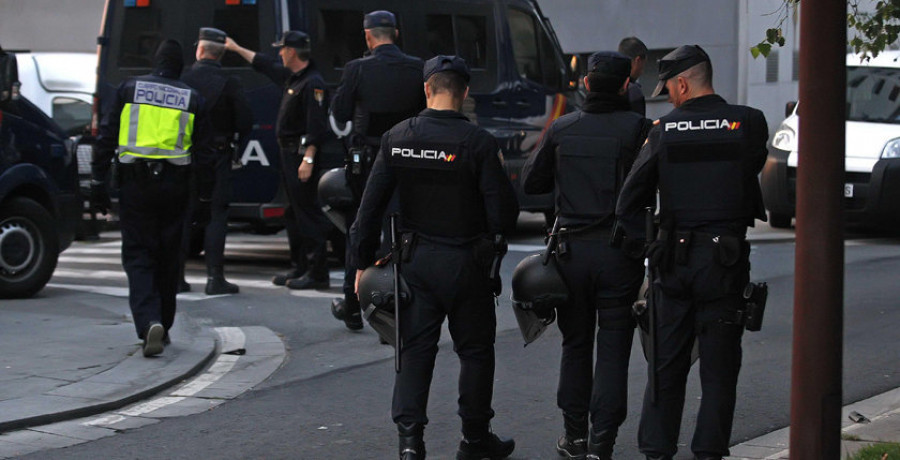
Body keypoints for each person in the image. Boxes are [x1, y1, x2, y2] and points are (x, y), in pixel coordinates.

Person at [349, 56, 518, 460]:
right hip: (467, 264)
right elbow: (504, 214)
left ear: (427, 89)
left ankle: (410, 444)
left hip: (416, 263)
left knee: (413, 351)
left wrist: (360, 264)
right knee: (475, 352)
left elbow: (368, 210)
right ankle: (475, 439)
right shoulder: (478, 143)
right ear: (464, 93)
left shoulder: (397, 137)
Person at [615, 45, 769, 460]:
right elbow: (748, 167)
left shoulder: (663, 131)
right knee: (720, 370)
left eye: (668, 88)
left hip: (675, 263)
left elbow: (629, 201)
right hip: (726, 263)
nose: (667, 97)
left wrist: (647, 246)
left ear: (683, 83)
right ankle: (709, 451)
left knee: (666, 366)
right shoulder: (749, 122)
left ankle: (656, 450)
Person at [521, 51, 651, 460]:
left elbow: (532, 181)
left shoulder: (562, 128)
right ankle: (603, 441)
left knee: (575, 344)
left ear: (586, 84)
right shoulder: (639, 129)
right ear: (626, 86)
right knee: (614, 347)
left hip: (570, 252)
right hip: (619, 253)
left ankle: (574, 435)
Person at [90, 39, 214, 357]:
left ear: (155, 62)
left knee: (138, 254)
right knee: (170, 256)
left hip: (136, 185)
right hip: (176, 187)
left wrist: (97, 181)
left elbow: (105, 137)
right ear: (180, 67)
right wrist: (203, 200)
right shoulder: (193, 99)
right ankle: (165, 323)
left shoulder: (129, 89)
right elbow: (204, 156)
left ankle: (148, 322)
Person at [330, 10, 425, 331]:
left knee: (361, 224)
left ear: (368, 37)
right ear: (395, 34)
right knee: (400, 229)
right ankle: (394, 298)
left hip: (369, 157)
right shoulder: (417, 68)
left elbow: (340, 113)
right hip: (408, 156)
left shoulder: (357, 69)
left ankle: (353, 302)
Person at [225, 31, 335, 290]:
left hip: (300, 155)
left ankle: (317, 272)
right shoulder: (293, 78)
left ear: (293, 52)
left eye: (283, 49)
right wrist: (237, 47)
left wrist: (308, 159)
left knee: (307, 212)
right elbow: (264, 64)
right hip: (288, 155)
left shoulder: (313, 83)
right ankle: (299, 266)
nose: (280, 53)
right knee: (292, 213)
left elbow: (316, 126)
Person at [179, 27, 252, 295]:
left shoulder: (183, 78)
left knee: (184, 213)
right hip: (218, 153)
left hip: (185, 154)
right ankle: (214, 278)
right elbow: (245, 120)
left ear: (199, 50)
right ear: (220, 54)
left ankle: (177, 277)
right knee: (216, 215)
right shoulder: (229, 82)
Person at [617, 37, 648, 116]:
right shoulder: (633, 92)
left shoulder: (604, 87)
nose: (642, 71)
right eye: (643, 66)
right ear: (637, 60)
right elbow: (639, 126)